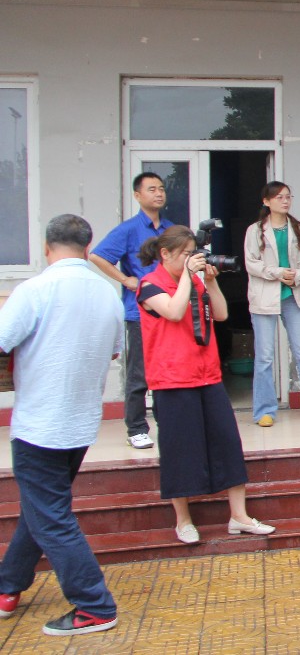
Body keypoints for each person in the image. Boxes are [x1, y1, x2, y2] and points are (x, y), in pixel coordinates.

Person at [0, 215, 124, 637]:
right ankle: (8, 586)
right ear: (87, 248)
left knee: (51, 516)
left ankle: (94, 605)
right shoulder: (107, 294)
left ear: (46, 246)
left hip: (40, 425)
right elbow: (113, 353)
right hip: (80, 424)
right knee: (41, 508)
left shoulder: (35, 290)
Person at [137, 226, 275, 546]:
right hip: (172, 380)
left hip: (207, 375)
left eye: (194, 253)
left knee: (228, 443)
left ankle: (239, 516)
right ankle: (183, 520)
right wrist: (189, 276)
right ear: (165, 254)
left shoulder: (196, 282)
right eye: (186, 254)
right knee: (180, 450)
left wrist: (210, 281)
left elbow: (222, 314)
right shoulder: (149, 285)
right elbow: (173, 312)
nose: (193, 259)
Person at [88, 171, 172, 450]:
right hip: (140, 313)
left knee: (166, 369)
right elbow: (97, 255)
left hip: (170, 310)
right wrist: (125, 280)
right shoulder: (128, 229)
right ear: (137, 195)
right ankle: (136, 428)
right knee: (139, 372)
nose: (158, 193)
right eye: (152, 189)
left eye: (161, 188)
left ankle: (167, 423)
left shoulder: (171, 230)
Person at [244, 181, 300, 427]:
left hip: (292, 294)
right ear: (266, 201)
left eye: (288, 196)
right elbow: (251, 263)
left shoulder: (298, 228)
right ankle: (264, 411)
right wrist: (278, 272)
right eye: (279, 197)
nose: (285, 201)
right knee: (265, 356)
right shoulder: (255, 230)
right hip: (265, 296)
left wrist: (297, 275)